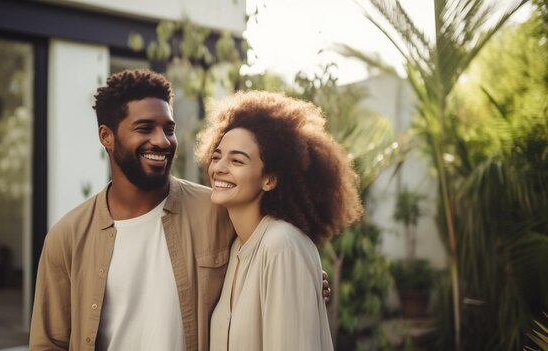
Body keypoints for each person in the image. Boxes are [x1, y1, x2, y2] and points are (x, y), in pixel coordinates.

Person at [29, 69, 329, 351]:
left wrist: (305, 278)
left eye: (168, 128)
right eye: (144, 128)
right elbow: (48, 343)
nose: (161, 141)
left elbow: (272, 248)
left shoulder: (215, 212)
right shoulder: (67, 238)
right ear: (107, 136)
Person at [196, 90, 363, 351]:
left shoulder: (281, 246)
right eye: (217, 156)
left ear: (269, 179)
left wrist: (295, 269)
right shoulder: (236, 248)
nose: (219, 167)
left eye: (237, 160)